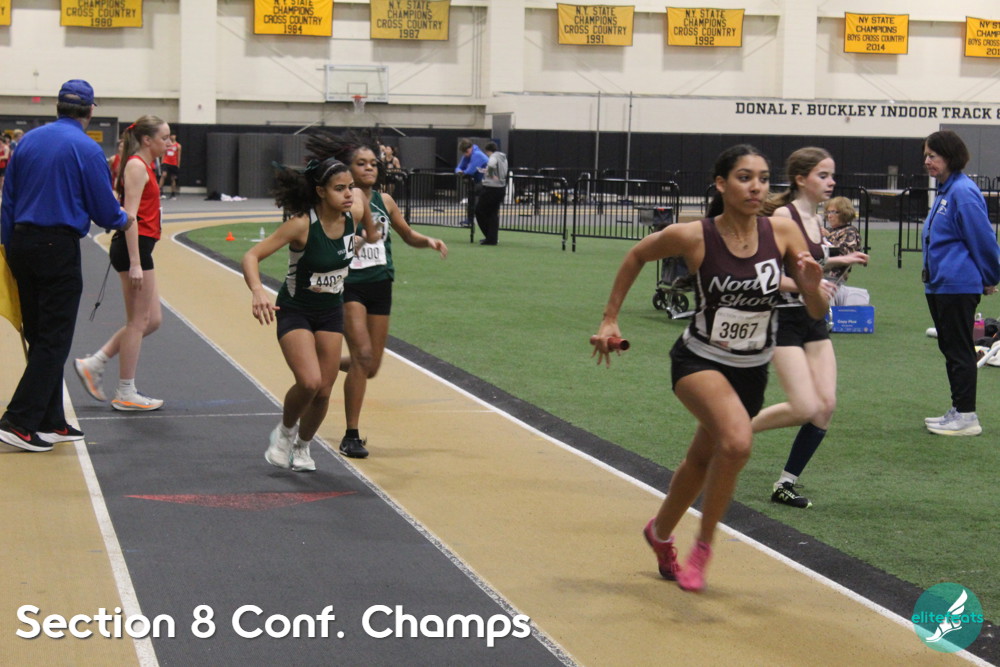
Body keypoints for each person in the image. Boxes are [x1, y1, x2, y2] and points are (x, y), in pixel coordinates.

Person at [592, 144, 826, 592]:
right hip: (699, 360)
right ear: (721, 184)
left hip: (751, 369)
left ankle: (660, 533)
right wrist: (609, 318)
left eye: (763, 178)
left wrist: (812, 289)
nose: (756, 187)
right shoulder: (695, 236)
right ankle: (703, 547)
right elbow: (637, 255)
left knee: (702, 459)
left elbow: (815, 311)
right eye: (744, 177)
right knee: (736, 443)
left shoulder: (782, 232)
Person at [0, 79, 132, 452]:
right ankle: (19, 420)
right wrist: (125, 220)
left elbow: (8, 199)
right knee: (54, 338)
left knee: (39, 334)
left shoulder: (27, 142)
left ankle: (51, 420)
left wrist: (7, 248)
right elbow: (105, 211)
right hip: (57, 246)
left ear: (57, 107)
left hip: (21, 244)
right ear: (90, 111)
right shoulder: (87, 149)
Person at [305, 130, 448, 459]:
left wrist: (427, 240)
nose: (369, 167)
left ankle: (325, 362)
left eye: (373, 163)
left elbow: (406, 234)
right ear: (348, 168)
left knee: (370, 365)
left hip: (381, 283)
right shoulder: (342, 202)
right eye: (361, 163)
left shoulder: (385, 201)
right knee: (363, 355)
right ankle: (351, 434)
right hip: (350, 284)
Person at [241, 157, 377, 471]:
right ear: (320, 191)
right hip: (296, 310)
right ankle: (284, 433)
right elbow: (251, 255)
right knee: (310, 382)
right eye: (339, 188)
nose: (348, 194)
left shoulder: (354, 214)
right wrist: (258, 291)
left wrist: (360, 240)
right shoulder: (302, 224)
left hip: (330, 312)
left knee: (324, 391)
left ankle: (303, 446)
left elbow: (364, 213)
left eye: (351, 187)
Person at [751, 148, 868, 509]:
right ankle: (731, 429)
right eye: (823, 175)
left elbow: (809, 262)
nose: (831, 182)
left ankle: (785, 484)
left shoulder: (816, 218)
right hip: (784, 319)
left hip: (813, 319)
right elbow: (765, 275)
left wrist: (839, 259)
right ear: (801, 179)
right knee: (804, 407)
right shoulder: (782, 216)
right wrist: (808, 287)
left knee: (825, 405)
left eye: (832, 175)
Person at [73, 116, 172, 412]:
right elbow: (129, 217)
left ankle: (95, 363)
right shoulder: (136, 167)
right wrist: (135, 262)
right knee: (138, 322)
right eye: (164, 138)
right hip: (133, 249)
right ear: (147, 140)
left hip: (140, 248)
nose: (169, 143)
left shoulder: (146, 166)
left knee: (151, 320)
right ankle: (125, 392)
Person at [921, 130, 1000, 436]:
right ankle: (958, 409)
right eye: (926, 156)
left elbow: (982, 239)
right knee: (951, 347)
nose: (927, 161)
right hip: (941, 284)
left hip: (957, 285)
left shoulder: (963, 192)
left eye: (933, 156)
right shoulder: (946, 191)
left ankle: (966, 416)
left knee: (959, 350)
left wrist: (990, 277)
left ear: (950, 157)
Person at [475, 142, 508, 246]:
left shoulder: (493, 157)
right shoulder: (503, 158)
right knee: (493, 214)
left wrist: (490, 174)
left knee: (479, 211)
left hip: (491, 188)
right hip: (501, 188)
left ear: (487, 151)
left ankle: (489, 236)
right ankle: (492, 238)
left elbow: (491, 164)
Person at [455, 139, 488, 227]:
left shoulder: (477, 155)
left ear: (471, 148)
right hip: (477, 182)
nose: (465, 154)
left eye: (466, 152)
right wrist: (460, 171)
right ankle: (470, 220)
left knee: (475, 202)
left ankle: (472, 220)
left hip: (486, 182)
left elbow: (470, 171)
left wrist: (462, 173)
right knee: (472, 200)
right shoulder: (468, 155)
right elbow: (458, 168)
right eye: (464, 153)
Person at [158, 133, 181, 200]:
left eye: (174, 135)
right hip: (166, 162)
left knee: (173, 178)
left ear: (175, 136)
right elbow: (163, 153)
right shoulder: (167, 144)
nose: (172, 137)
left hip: (174, 164)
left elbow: (179, 156)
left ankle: (173, 194)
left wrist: (178, 165)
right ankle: (160, 192)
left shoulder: (178, 146)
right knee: (163, 175)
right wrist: (162, 162)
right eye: (171, 135)